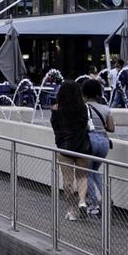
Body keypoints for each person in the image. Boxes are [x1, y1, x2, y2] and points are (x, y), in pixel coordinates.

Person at [51, 77, 94, 222]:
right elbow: (85, 126)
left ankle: (71, 210)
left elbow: (55, 128)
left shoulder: (56, 109)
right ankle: (82, 201)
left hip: (65, 148)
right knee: (82, 177)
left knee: (68, 181)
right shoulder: (83, 107)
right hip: (82, 146)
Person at [82, 76, 113, 219]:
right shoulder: (106, 108)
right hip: (104, 143)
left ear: (85, 94)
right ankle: (107, 198)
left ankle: (94, 206)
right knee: (95, 171)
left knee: (87, 172)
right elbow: (111, 128)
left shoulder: (83, 108)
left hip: (89, 142)